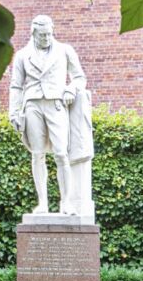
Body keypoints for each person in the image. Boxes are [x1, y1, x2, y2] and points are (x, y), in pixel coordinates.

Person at [9, 15, 86, 215]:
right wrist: (14, 113)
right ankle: (42, 202)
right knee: (37, 154)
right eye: (42, 35)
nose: (47, 38)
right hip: (33, 104)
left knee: (61, 153)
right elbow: (16, 86)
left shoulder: (65, 50)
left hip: (56, 104)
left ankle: (66, 202)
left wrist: (71, 89)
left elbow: (79, 78)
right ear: (33, 33)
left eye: (49, 34)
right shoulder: (22, 55)